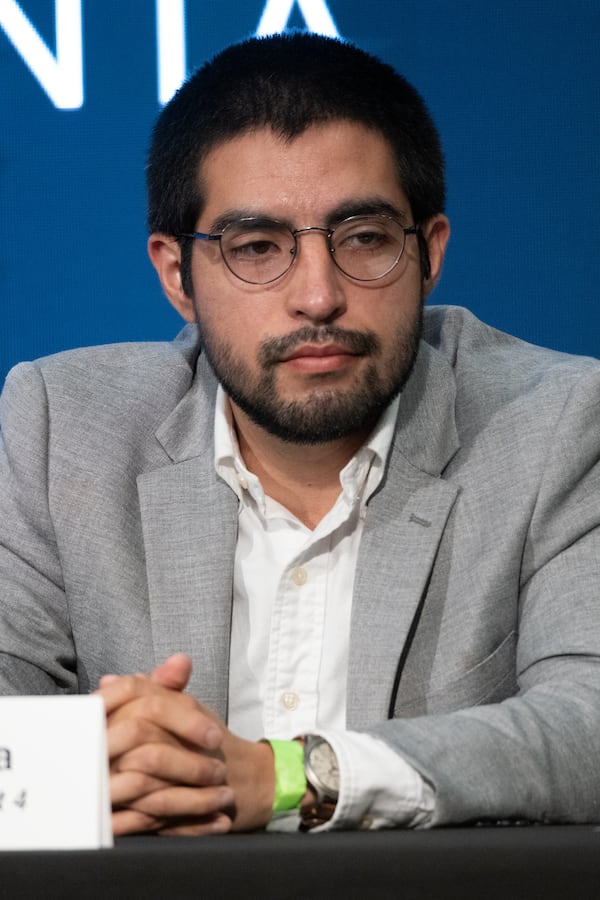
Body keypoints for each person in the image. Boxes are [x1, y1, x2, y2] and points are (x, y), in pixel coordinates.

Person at [0, 31, 599, 837]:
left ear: (430, 253)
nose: (317, 296)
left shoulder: (560, 422)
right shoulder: (61, 425)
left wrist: (291, 774)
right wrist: (92, 756)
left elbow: (587, 724)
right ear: (177, 276)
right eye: (257, 249)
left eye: (364, 240)